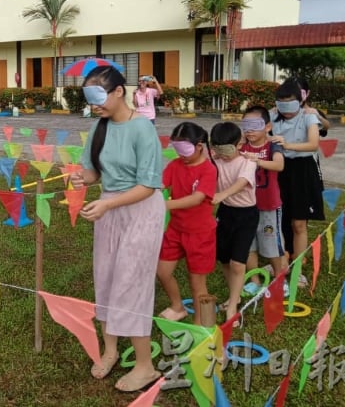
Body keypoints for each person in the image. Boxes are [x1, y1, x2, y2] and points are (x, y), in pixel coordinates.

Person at [69, 66, 164, 393]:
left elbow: (149, 186)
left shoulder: (142, 129)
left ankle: (145, 365)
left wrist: (108, 203)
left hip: (140, 210)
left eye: (99, 98)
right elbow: (95, 172)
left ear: (119, 91)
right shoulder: (99, 127)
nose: (94, 105)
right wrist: (84, 178)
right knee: (107, 277)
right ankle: (110, 351)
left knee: (131, 281)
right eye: (89, 99)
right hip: (110, 211)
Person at [157, 122, 217, 326]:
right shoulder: (174, 166)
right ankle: (177, 307)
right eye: (176, 148)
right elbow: (158, 185)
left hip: (200, 234)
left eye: (185, 149)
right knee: (162, 272)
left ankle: (203, 325)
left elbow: (197, 198)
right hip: (175, 230)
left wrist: (165, 204)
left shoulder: (208, 170)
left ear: (200, 146)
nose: (181, 154)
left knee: (197, 283)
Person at [270, 79, 324, 287]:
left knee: (299, 223)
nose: (286, 111)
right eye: (281, 105)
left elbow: (313, 144)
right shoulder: (272, 115)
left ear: (300, 101)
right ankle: (280, 261)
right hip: (279, 169)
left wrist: (287, 144)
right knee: (278, 219)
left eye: (290, 105)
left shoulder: (308, 116)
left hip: (302, 170)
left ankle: (297, 269)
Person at [210, 122, 258, 325]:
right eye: (218, 149)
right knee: (224, 260)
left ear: (240, 145)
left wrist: (223, 194)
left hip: (246, 215)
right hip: (225, 213)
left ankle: (232, 309)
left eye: (227, 150)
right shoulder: (215, 160)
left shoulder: (248, 162)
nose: (223, 155)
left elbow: (241, 183)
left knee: (238, 262)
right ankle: (234, 294)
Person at [239, 106, 288, 296]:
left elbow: (279, 165)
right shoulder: (241, 146)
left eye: (255, 126)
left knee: (272, 245)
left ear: (267, 126)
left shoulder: (273, 145)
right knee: (248, 244)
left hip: (269, 206)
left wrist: (255, 160)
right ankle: (254, 280)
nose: (249, 130)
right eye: (246, 126)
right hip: (246, 205)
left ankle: (279, 280)